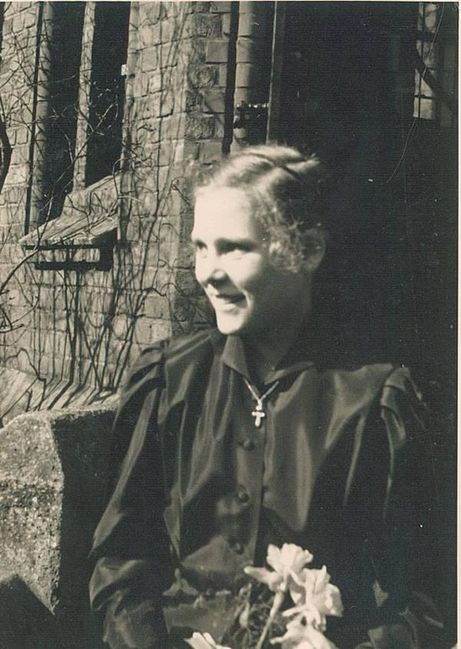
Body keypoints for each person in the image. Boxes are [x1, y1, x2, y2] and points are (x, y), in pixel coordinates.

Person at [89, 145, 446, 649]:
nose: (208, 272)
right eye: (200, 247)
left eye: (234, 248)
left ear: (307, 251)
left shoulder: (370, 401)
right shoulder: (172, 381)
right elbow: (122, 563)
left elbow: (426, 602)